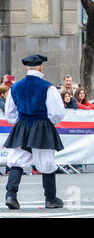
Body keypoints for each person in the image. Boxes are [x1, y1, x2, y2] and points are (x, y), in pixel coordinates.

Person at [3, 54, 65, 209]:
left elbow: (10, 113)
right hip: (42, 125)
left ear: (26, 67)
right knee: (46, 161)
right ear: (41, 67)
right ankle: (50, 198)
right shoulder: (48, 87)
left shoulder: (15, 87)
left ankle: (11, 194)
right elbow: (57, 113)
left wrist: (21, 122)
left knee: (17, 160)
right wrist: (47, 124)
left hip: (22, 125)